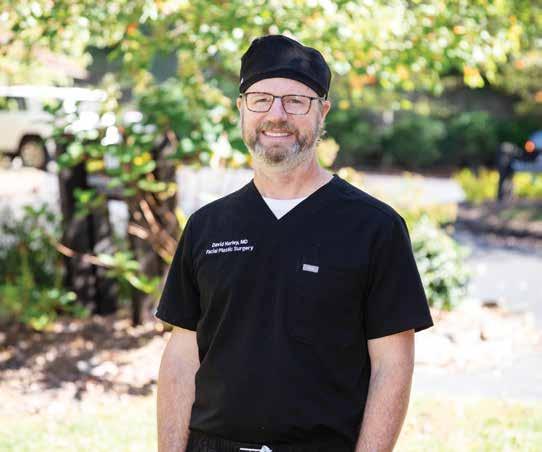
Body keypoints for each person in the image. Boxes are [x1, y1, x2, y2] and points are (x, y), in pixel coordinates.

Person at [156, 34, 433, 452]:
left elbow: (392, 367)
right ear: (242, 108)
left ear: (323, 111)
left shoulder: (375, 228)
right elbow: (181, 357)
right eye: (261, 100)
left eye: (295, 101)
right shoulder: (207, 227)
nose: (276, 115)